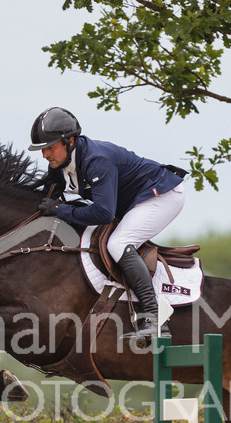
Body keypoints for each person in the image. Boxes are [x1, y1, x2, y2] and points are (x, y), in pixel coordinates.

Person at [28, 106, 186, 343]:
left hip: (161, 195)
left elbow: (103, 213)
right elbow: (46, 197)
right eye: (42, 150)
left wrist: (61, 210)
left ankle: (153, 319)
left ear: (70, 141)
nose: (45, 155)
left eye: (50, 148)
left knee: (118, 243)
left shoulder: (96, 160)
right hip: (133, 201)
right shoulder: (61, 164)